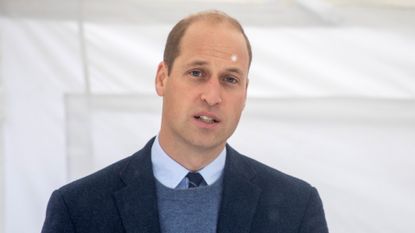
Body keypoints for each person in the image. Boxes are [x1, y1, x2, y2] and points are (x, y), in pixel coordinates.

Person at [41, 10, 329, 233]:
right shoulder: (78, 209)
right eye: (197, 73)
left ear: (245, 93)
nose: (213, 96)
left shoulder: (296, 208)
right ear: (162, 78)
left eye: (230, 79)